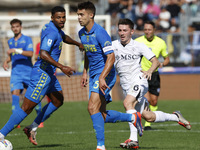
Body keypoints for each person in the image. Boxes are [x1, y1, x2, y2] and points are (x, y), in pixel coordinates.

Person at [0, 6, 84, 145]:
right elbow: (43, 54)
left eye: (63, 17)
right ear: (52, 18)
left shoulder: (53, 28)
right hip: (42, 74)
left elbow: (64, 37)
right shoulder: (51, 32)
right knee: (27, 107)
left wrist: (77, 43)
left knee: (58, 100)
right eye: (58, 17)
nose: (62, 20)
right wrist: (62, 66)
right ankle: (1, 134)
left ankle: (32, 127)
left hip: (49, 73)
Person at [113, 18, 191, 149]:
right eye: (120, 30)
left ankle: (133, 140)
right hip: (126, 85)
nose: (122, 33)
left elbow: (155, 61)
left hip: (139, 80)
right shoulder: (113, 45)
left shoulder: (139, 45)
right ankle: (176, 117)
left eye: (125, 30)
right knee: (148, 117)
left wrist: (149, 71)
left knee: (127, 103)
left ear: (132, 31)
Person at [77, 2, 143, 150]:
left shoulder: (100, 32)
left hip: (105, 74)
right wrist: (85, 71)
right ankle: (133, 117)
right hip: (94, 74)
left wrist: (102, 77)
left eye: (82, 14)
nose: (79, 18)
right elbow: (88, 53)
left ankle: (100, 146)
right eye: (78, 15)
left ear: (91, 15)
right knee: (102, 115)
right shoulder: (81, 33)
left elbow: (111, 57)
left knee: (92, 107)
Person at [3, 19, 42, 129]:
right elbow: (12, 55)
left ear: (21, 27)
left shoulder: (27, 39)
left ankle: (40, 119)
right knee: (15, 95)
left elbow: (30, 53)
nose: (15, 28)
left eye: (17, 26)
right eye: (13, 27)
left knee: (33, 96)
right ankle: (16, 122)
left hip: (28, 72)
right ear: (11, 28)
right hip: (16, 72)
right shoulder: (10, 41)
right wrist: (6, 61)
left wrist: (15, 50)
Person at [135, 21, 170, 130]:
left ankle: (150, 119)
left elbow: (167, 58)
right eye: (145, 29)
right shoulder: (138, 41)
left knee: (154, 101)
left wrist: (162, 64)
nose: (147, 32)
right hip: (142, 75)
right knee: (146, 99)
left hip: (154, 75)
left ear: (154, 30)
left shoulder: (161, 43)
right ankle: (147, 124)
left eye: (149, 29)